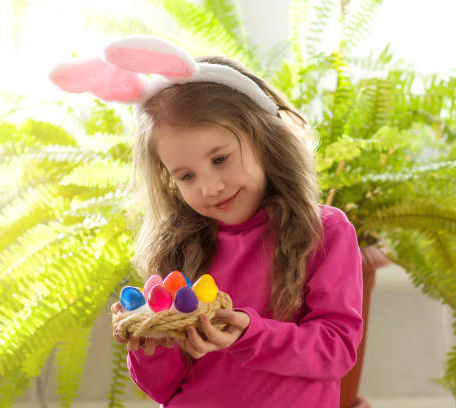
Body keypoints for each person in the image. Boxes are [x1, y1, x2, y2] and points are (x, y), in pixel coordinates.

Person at [50, 35, 363, 408]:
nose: (210, 187)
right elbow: (162, 389)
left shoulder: (324, 232)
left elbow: (335, 350)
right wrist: (151, 344)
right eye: (186, 177)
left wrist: (250, 333)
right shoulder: (179, 249)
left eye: (219, 160)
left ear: (264, 139)